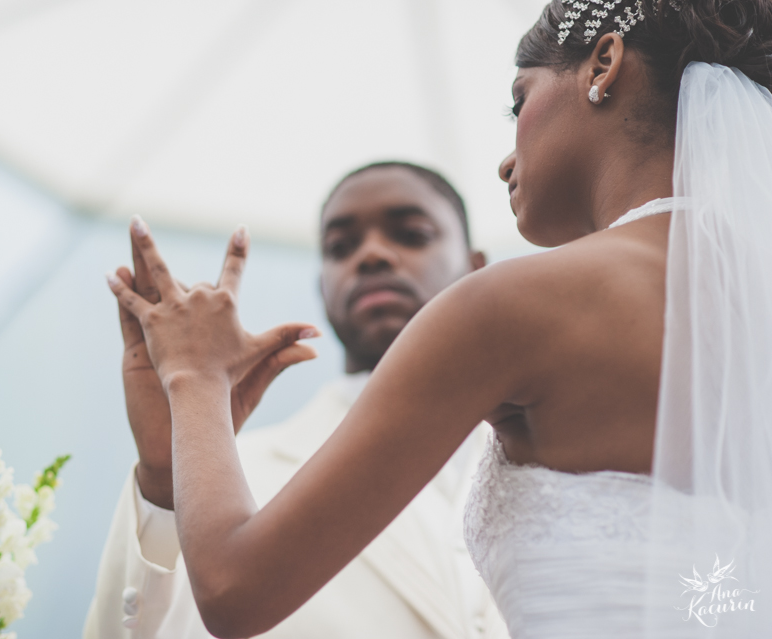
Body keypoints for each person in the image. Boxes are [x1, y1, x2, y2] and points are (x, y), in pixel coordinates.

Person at [106, 1, 772, 636]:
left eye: (519, 102)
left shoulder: (513, 303)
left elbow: (231, 589)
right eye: (341, 245)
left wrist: (193, 374)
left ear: (603, 65)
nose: (506, 159)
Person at [86, 162, 510, 639]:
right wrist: (167, 481)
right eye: (339, 248)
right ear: (321, 286)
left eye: (411, 234)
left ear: (476, 267)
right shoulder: (227, 479)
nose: (370, 255)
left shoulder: (566, 444)